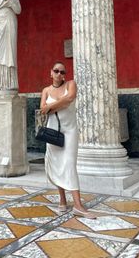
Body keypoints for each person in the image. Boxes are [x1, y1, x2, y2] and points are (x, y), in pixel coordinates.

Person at [40, 61, 96, 218]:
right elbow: (43, 110)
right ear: (51, 72)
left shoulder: (71, 84)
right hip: (52, 131)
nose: (59, 74)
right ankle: (62, 200)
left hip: (70, 131)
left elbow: (70, 98)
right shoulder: (45, 90)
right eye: (56, 71)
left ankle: (78, 205)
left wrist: (52, 106)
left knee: (69, 164)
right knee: (57, 165)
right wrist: (60, 104)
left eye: (62, 72)